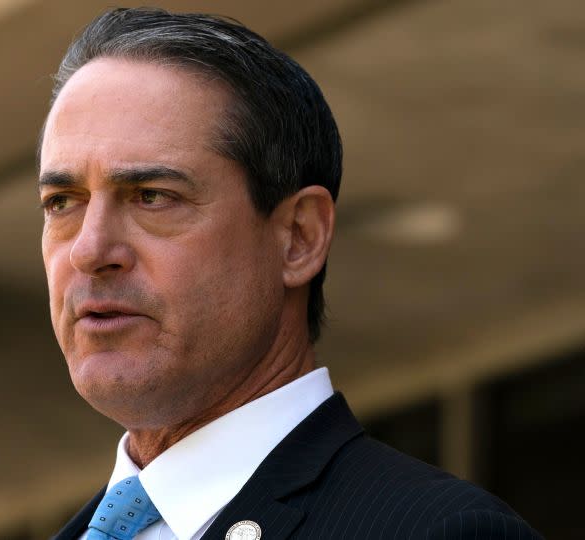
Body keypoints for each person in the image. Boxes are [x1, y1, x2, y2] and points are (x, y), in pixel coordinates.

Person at [37, 8, 541, 540]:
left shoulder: (444, 532)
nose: (89, 251)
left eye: (152, 197)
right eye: (63, 202)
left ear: (299, 237)